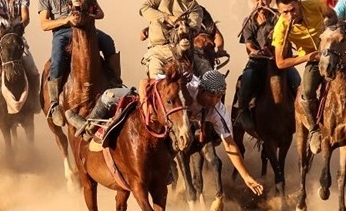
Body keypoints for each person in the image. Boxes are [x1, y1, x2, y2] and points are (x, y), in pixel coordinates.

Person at [77, 70, 264, 196]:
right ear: (202, 90)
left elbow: (230, 144)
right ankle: (87, 127)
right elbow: (145, 82)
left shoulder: (218, 111)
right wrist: (144, 106)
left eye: (219, 96)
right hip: (154, 109)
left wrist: (247, 177)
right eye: (213, 96)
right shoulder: (186, 86)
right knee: (110, 95)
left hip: (175, 125)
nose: (216, 100)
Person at [272, 0, 346, 154]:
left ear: (299, 4)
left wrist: (330, 30)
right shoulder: (281, 27)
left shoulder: (314, 5)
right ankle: (315, 130)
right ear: (280, 12)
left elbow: (332, 15)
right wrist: (308, 57)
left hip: (338, 50)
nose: (290, 15)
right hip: (314, 60)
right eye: (285, 12)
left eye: (293, 9)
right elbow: (280, 62)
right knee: (307, 91)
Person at [38, 0, 119, 127]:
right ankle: (53, 103)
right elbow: (44, 24)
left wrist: (85, 14)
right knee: (58, 56)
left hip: (85, 28)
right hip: (62, 33)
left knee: (107, 41)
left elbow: (100, 13)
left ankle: (115, 81)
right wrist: (67, 20)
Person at [234, 0, 300, 132]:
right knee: (247, 78)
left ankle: (304, 115)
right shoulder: (248, 20)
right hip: (258, 61)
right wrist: (255, 51)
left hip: (280, 61)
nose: (261, 3)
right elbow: (249, 44)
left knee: (296, 80)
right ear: (252, 1)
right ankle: (243, 111)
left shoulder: (280, 16)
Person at [140, 0, 210, 77]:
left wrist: (181, 25)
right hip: (158, 50)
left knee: (210, 78)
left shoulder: (196, 9)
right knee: (155, 82)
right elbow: (145, 9)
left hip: (184, 52)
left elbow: (193, 29)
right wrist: (167, 18)